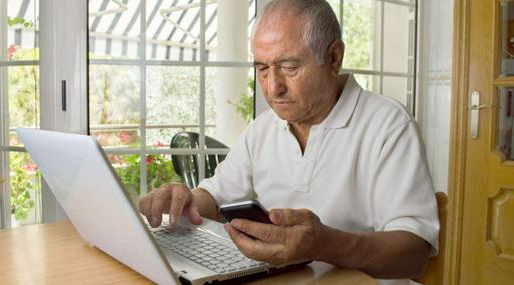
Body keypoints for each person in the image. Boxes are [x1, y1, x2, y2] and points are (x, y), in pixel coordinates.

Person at [140, 0, 439, 284]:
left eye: (289, 67)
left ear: (334, 57)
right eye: (262, 68)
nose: (273, 88)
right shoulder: (263, 129)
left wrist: (324, 244)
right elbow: (215, 196)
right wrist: (187, 201)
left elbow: (413, 256)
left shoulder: (389, 126)